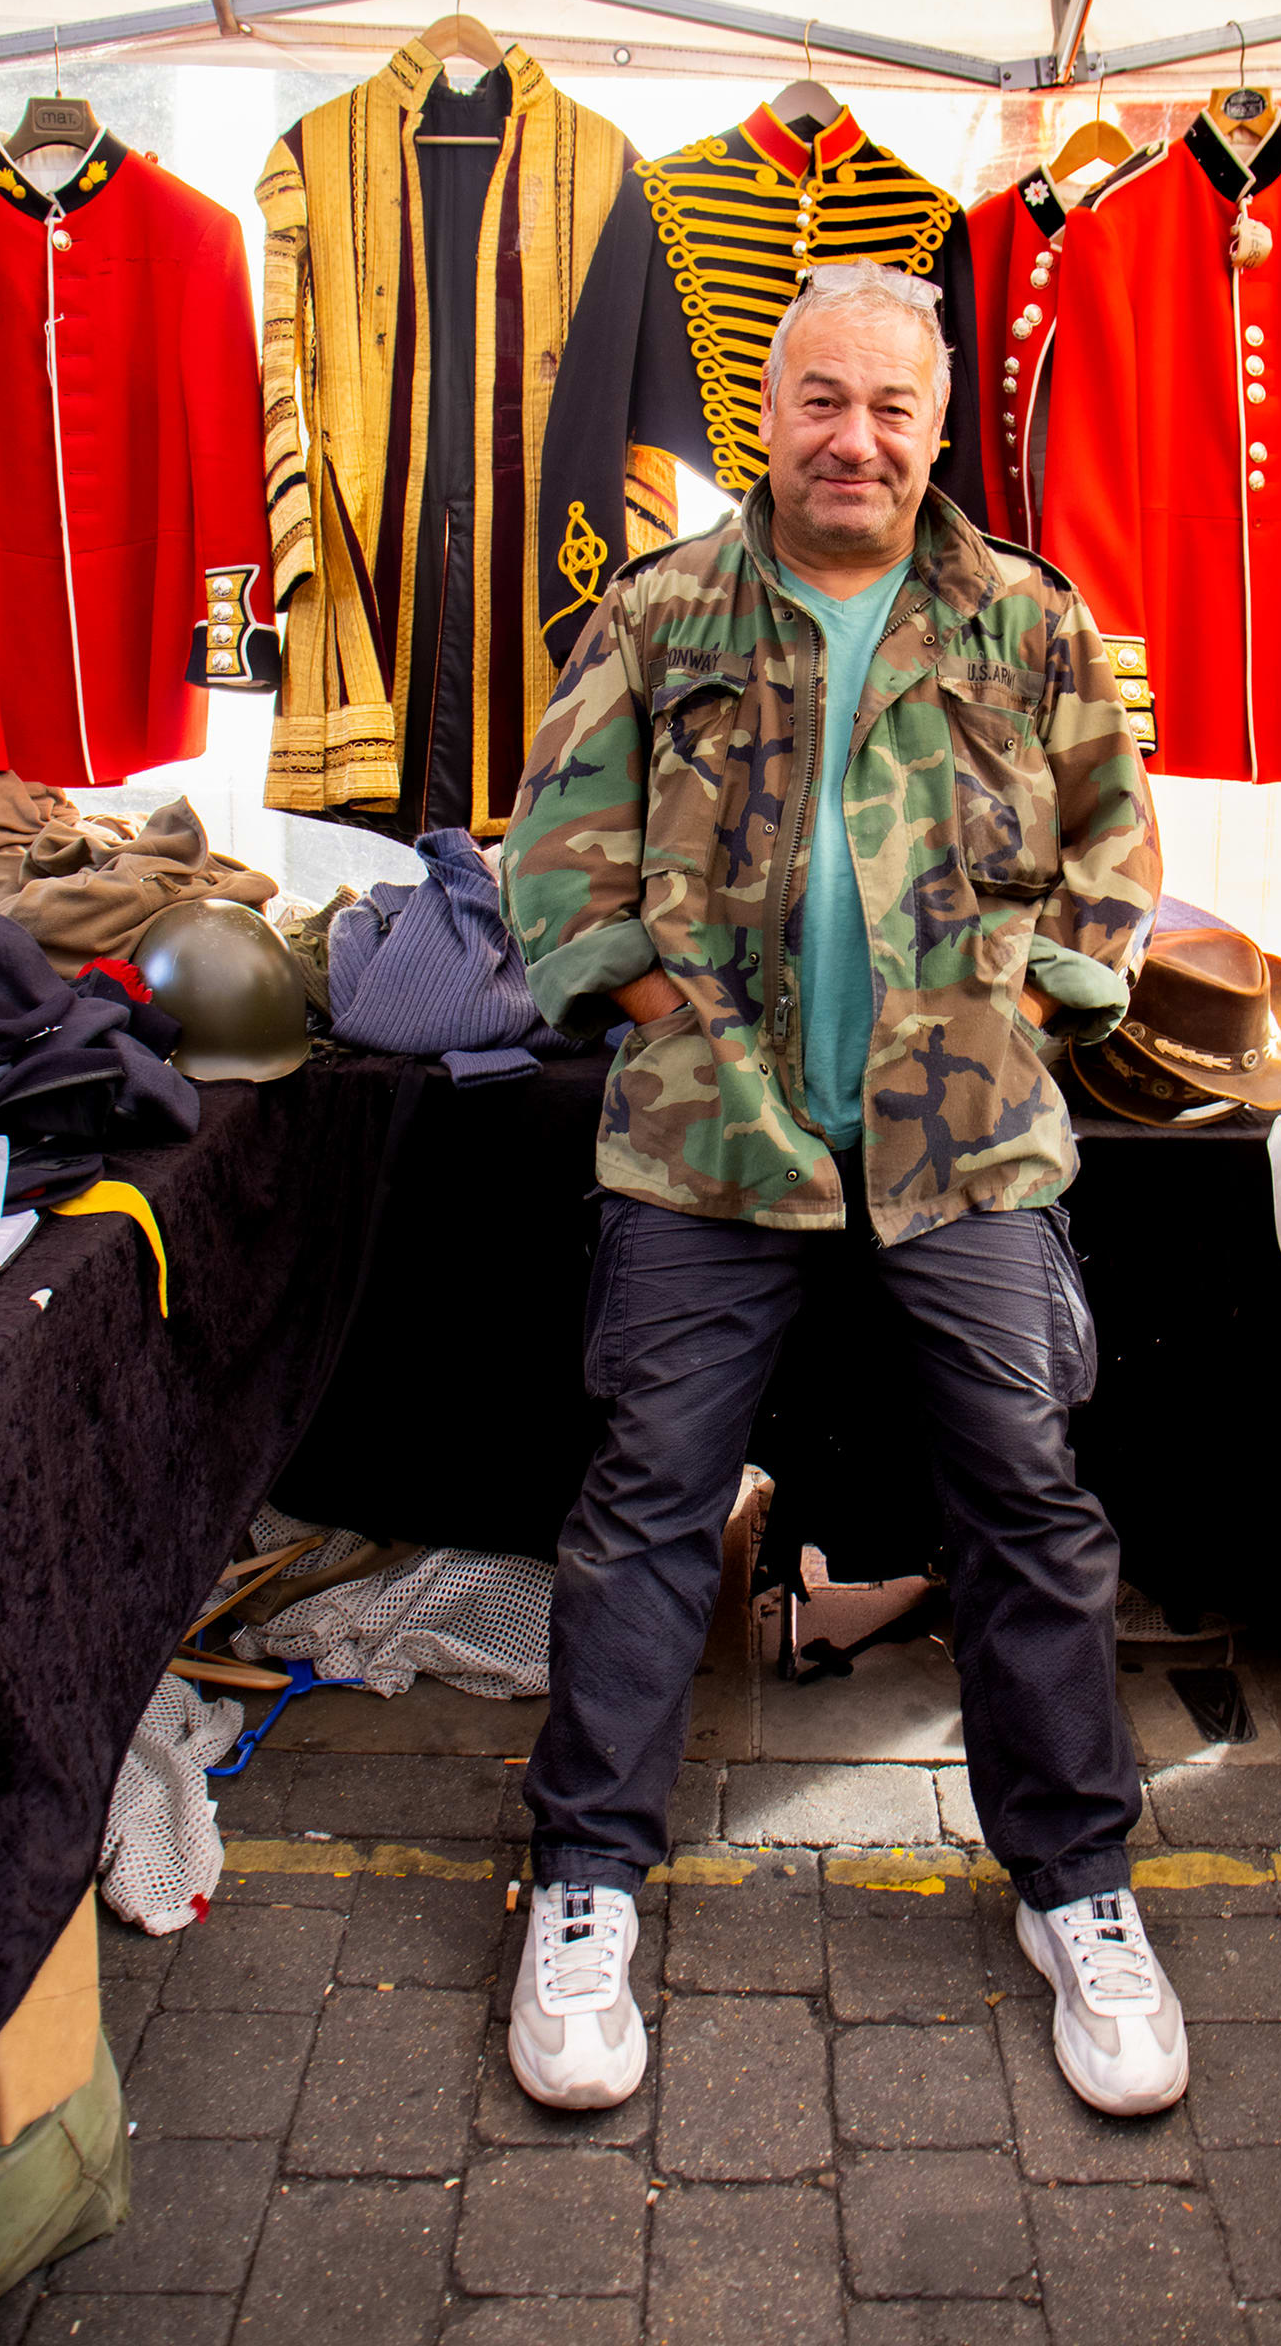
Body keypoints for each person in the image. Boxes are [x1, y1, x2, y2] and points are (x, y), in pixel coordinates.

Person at [500, 258, 1184, 2120]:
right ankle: (584, 1886)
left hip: (963, 1145)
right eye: (822, 400)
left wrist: (1033, 1006)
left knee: (1029, 1505)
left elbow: (1115, 841)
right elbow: (552, 864)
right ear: (769, 412)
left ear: (938, 428)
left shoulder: (1026, 620)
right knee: (646, 1507)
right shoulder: (660, 611)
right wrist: (671, 1013)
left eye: (892, 408)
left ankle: (1081, 1887)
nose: (855, 439)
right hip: (707, 1147)